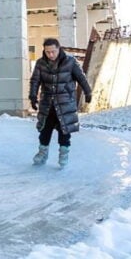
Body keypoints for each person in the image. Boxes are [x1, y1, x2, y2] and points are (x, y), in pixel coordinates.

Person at [29, 37, 92, 168]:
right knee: (44, 130)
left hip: (65, 104)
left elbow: (81, 78)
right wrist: (33, 96)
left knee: (64, 131)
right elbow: (35, 81)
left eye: (53, 51)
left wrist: (88, 92)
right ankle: (42, 153)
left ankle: (63, 154)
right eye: (47, 52)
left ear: (59, 49)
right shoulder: (41, 63)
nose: (50, 54)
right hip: (47, 104)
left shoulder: (70, 62)